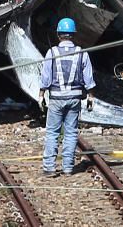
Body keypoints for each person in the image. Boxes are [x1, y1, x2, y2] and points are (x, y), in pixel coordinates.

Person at [39, 17, 95, 177]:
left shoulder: (52, 52)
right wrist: (91, 97)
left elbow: (45, 78)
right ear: (73, 35)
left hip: (56, 97)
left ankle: (49, 167)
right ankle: (68, 167)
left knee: (52, 132)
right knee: (71, 133)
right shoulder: (81, 53)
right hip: (75, 98)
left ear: (58, 34)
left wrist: (41, 94)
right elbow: (89, 79)